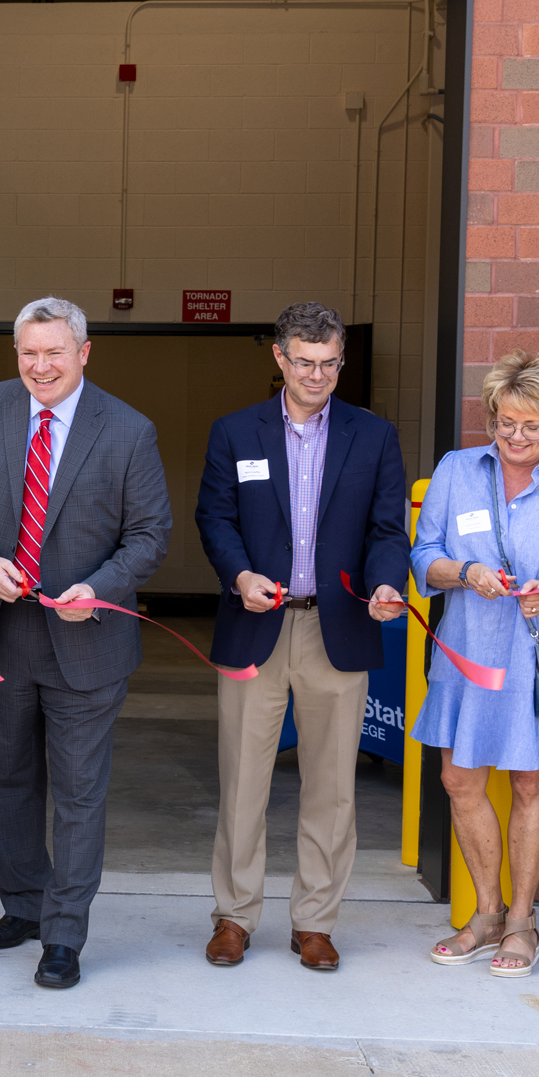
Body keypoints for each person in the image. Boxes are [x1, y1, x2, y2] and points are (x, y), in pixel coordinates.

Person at [0, 296, 172, 990]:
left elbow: (149, 535)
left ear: (83, 352)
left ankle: (65, 934)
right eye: (28, 353)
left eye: (53, 352)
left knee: (77, 793)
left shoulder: (129, 430)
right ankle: (25, 905)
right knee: (5, 781)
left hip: (87, 640)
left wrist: (97, 588)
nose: (40, 365)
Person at [194, 301, 408, 973]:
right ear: (280, 358)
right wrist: (238, 572)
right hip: (255, 625)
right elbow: (215, 515)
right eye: (305, 362)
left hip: (337, 626)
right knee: (243, 781)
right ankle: (234, 915)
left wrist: (383, 582)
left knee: (332, 786)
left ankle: (315, 920)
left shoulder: (373, 436)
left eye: (330, 364)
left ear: (342, 362)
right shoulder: (235, 432)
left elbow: (386, 528)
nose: (318, 375)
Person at [411, 350, 539, 978]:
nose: (516, 437)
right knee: (459, 781)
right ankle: (486, 912)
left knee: (530, 782)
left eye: (532, 426)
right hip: (467, 649)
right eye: (505, 423)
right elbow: (426, 556)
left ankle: (522, 921)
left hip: (537, 659)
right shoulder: (457, 470)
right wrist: (465, 573)